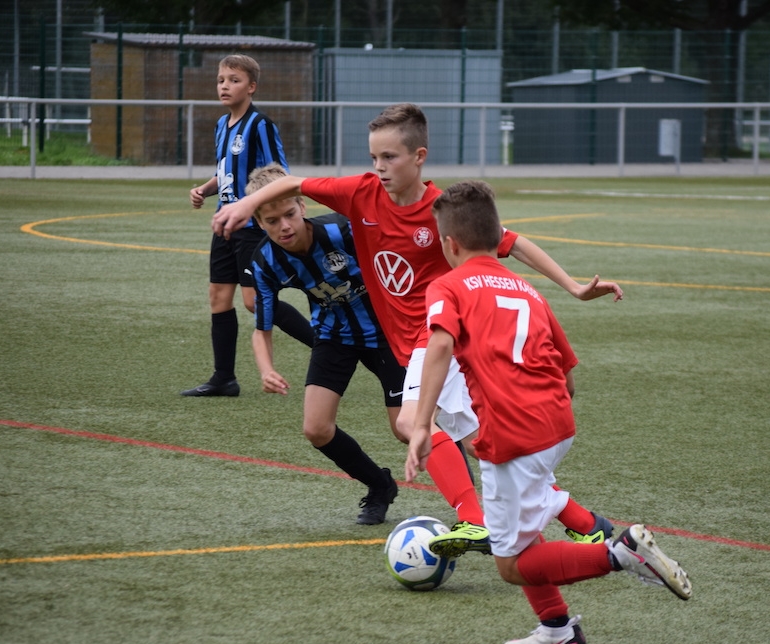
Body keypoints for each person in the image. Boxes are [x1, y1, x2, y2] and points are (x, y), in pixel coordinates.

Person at [212, 103, 621, 549]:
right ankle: (585, 522)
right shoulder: (359, 193)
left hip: (442, 334)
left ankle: (473, 518)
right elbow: (294, 182)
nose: (379, 167)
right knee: (480, 441)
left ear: (419, 157)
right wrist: (246, 204)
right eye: (374, 157)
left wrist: (573, 286)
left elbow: (513, 242)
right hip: (405, 342)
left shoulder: (440, 209)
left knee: (411, 423)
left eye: (389, 157)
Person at [405, 180, 691, 644]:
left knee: (511, 564)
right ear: (497, 237)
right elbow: (567, 371)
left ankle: (620, 554)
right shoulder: (527, 289)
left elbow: (439, 345)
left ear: (449, 244)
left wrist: (420, 425)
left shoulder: (447, 285)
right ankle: (558, 630)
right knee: (523, 526)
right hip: (556, 424)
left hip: (512, 435)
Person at [247, 163, 401, 525]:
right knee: (316, 429)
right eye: (272, 221)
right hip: (334, 336)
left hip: (388, 333)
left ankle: (467, 501)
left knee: (406, 428)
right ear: (259, 223)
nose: (284, 226)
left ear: (302, 206)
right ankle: (380, 486)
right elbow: (261, 328)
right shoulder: (265, 261)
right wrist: (266, 369)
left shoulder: (342, 230)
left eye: (289, 214)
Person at [182, 54, 313, 397]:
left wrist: (261, 208)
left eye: (234, 80)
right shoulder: (221, 125)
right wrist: (204, 189)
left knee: (254, 301)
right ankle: (223, 378)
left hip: (252, 228)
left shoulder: (260, 125)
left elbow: (278, 173)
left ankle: (329, 346)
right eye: (221, 80)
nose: (225, 86)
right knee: (218, 297)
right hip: (225, 223)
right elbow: (225, 171)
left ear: (251, 87)